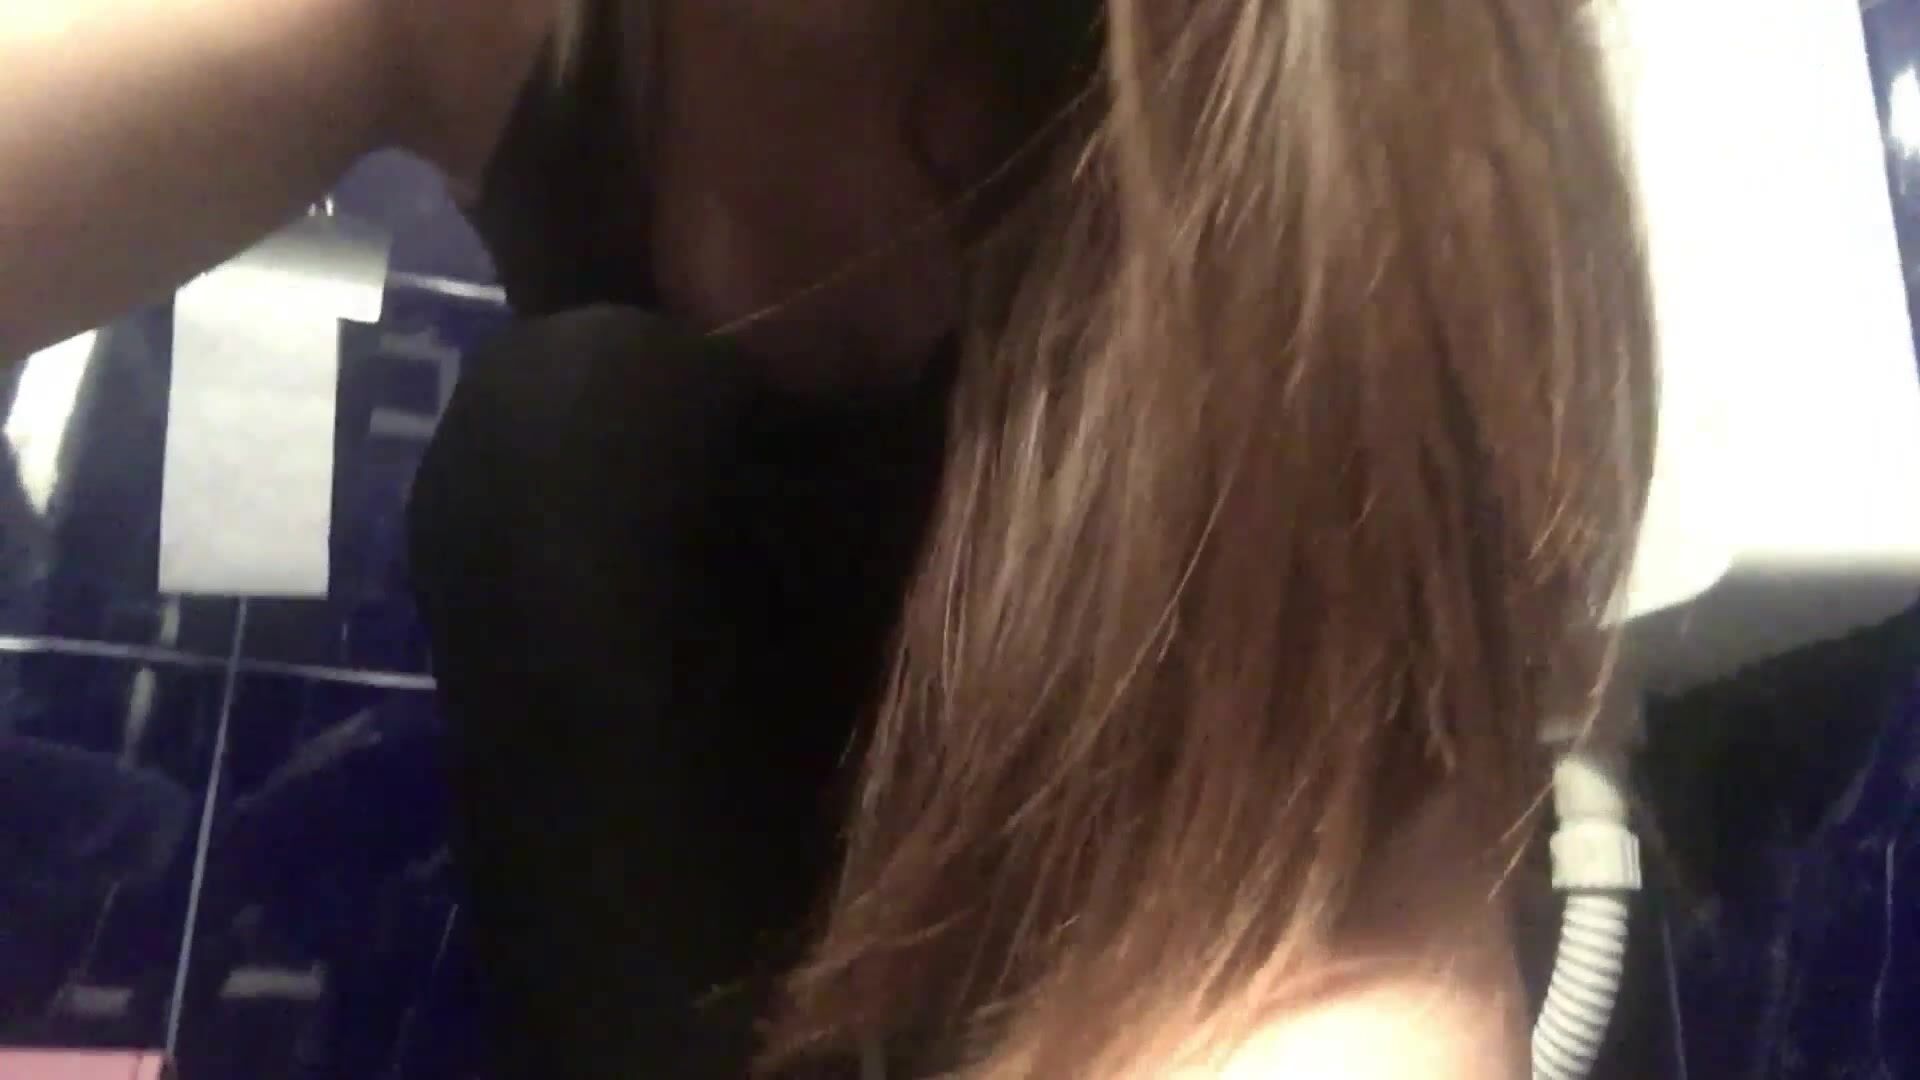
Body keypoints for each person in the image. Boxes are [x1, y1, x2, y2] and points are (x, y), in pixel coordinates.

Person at [2, 1, 1656, 1076]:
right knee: (565, 447)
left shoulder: (1343, 141)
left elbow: (1358, 964)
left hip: (1138, 815)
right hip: (712, 713)